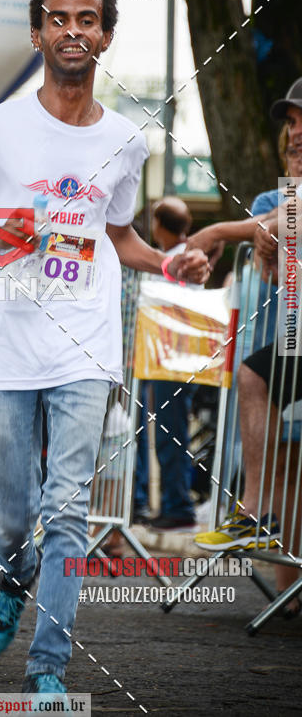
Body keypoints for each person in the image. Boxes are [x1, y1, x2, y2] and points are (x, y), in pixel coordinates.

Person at [0, 0, 209, 699]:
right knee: (16, 514)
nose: (73, 30)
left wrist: (172, 262)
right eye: (58, 18)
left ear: (106, 37)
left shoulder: (124, 140)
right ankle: (13, 574)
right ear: (38, 33)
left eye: (88, 19)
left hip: (83, 339)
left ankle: (47, 669)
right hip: (2, 344)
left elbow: (116, 234)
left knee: (69, 506)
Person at [191, 79, 302, 609]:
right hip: (290, 339)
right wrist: (270, 222)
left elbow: (282, 219)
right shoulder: (276, 194)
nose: (296, 133)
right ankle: (263, 531)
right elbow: (273, 216)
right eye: (291, 123)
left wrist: (238, 229)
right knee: (262, 392)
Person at [143, 196, 198, 531]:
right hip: (170, 357)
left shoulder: (177, 261)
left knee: (170, 432)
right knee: (170, 431)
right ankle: (173, 502)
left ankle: (177, 505)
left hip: (171, 356)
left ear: (160, 225)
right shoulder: (184, 256)